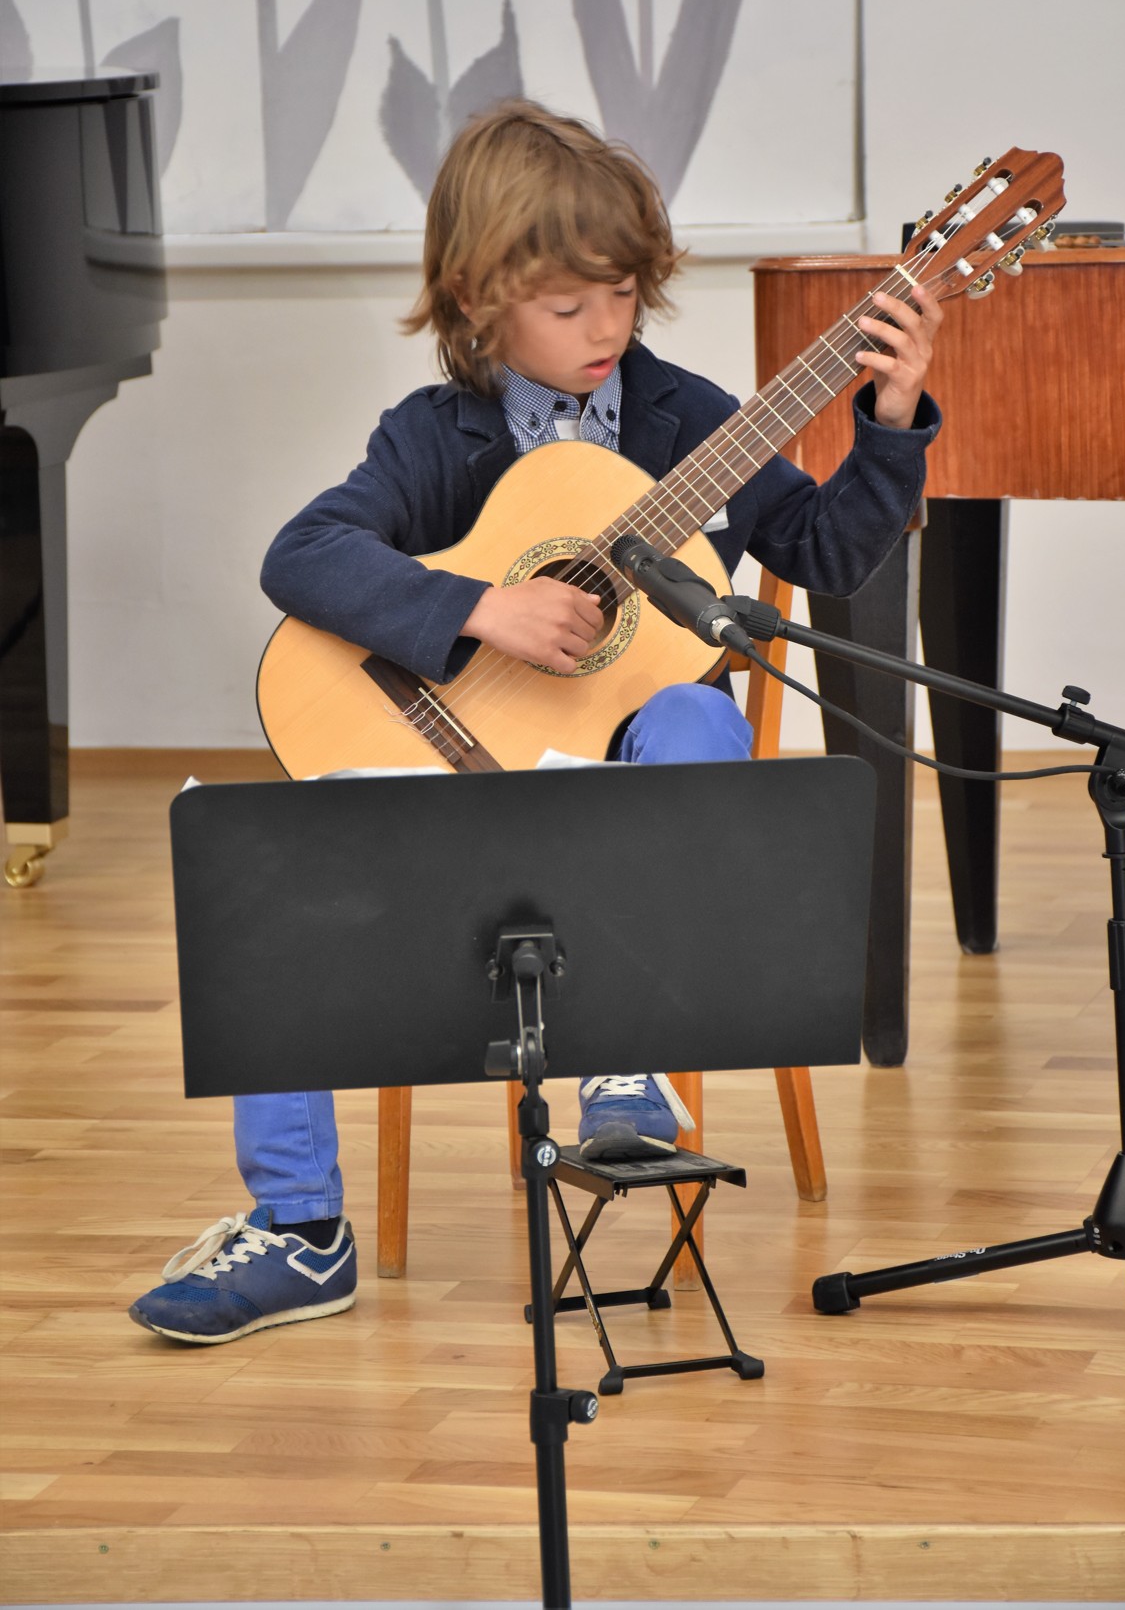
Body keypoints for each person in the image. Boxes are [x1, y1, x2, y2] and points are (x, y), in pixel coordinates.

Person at [130, 99, 942, 1344]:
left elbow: (827, 552)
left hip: (632, 813)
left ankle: (630, 1067)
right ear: (478, 300)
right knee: (270, 857)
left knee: (693, 710)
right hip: (455, 789)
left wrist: (888, 423)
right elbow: (304, 556)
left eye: (623, 294)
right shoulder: (433, 436)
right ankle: (300, 1231)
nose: (607, 328)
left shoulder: (689, 421)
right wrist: (480, 609)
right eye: (568, 306)